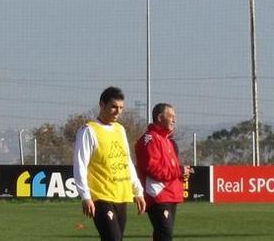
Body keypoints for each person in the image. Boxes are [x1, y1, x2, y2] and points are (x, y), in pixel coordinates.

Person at [73, 86, 146, 241]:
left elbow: (127, 162)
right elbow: (80, 165)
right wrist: (85, 196)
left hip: (121, 195)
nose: (117, 111)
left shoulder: (120, 130)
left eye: (121, 108)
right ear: (102, 104)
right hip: (101, 196)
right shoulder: (88, 131)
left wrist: (138, 191)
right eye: (113, 107)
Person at [134, 102, 192, 241]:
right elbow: (153, 168)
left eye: (174, 116)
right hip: (158, 195)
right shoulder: (150, 139)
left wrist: (182, 172)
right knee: (165, 236)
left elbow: (169, 168)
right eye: (171, 116)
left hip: (170, 195)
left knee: (162, 236)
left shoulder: (167, 140)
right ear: (160, 117)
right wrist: (178, 171)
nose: (174, 120)